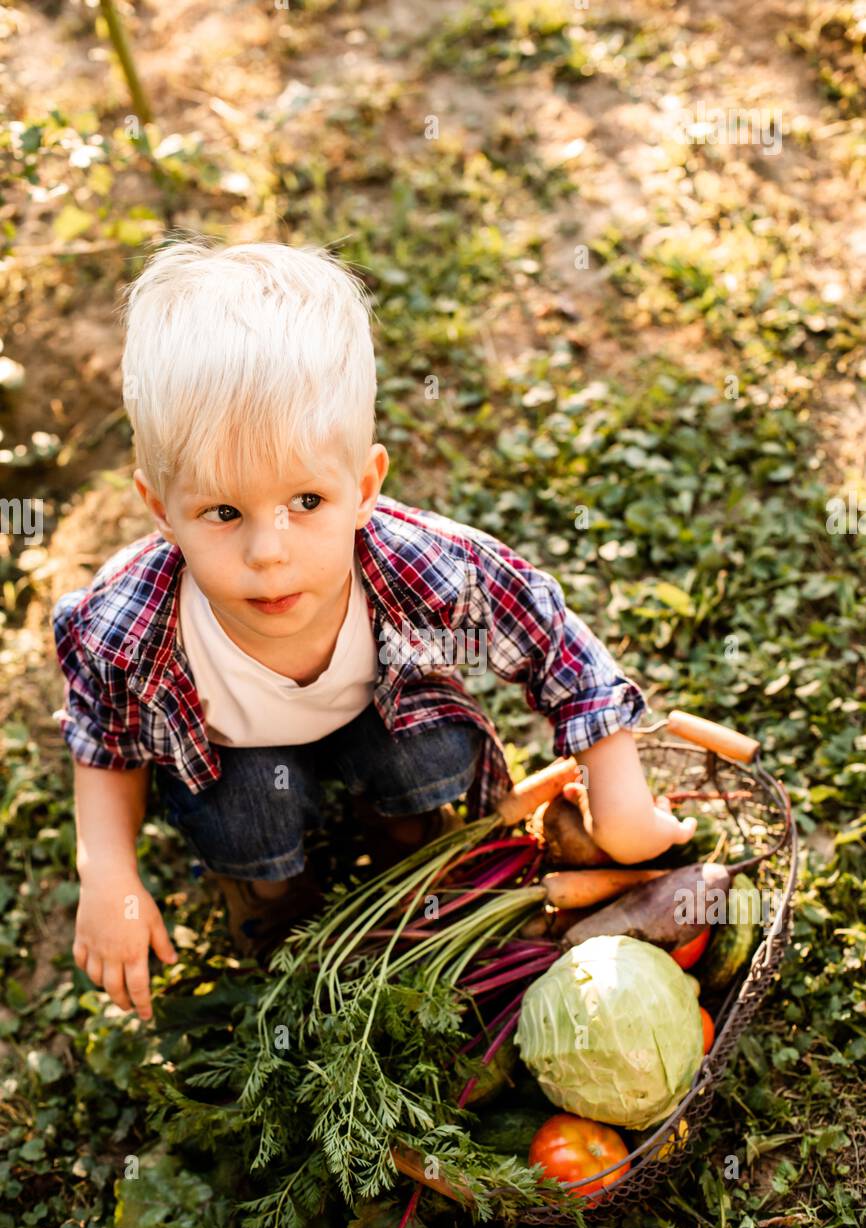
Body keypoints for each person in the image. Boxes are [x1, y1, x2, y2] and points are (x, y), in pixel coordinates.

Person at [51, 237, 696, 1020]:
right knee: (249, 807)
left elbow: (556, 646)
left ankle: (411, 841)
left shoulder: (418, 567)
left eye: (308, 503)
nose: (269, 552)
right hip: (235, 758)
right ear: (160, 510)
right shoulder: (131, 623)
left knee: (423, 751)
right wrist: (108, 872)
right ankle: (278, 902)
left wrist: (620, 796)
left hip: (378, 720)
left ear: (364, 487)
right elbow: (104, 742)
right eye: (223, 513)